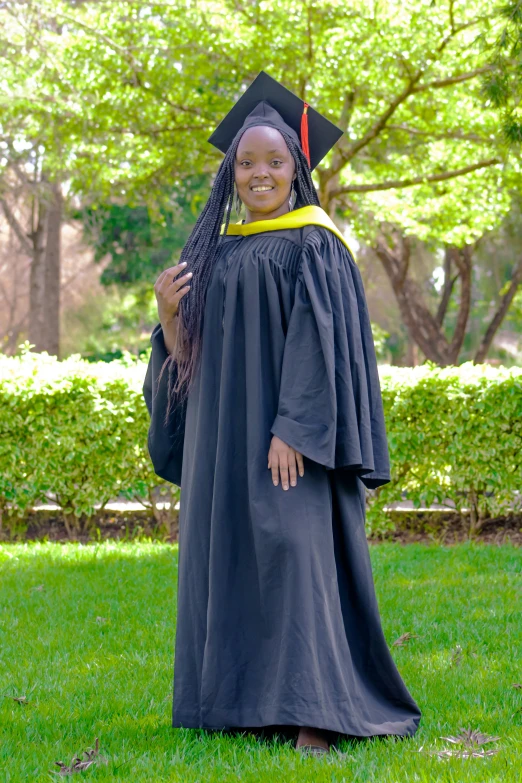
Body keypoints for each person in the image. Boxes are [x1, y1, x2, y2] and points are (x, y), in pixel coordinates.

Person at [143, 71, 421, 756]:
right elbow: (188, 360)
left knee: (295, 552)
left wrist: (295, 426)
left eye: (273, 161)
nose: (259, 173)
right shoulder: (213, 252)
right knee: (232, 557)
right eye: (246, 162)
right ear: (230, 174)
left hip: (289, 438)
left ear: (297, 169)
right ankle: (241, 702)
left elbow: (320, 340)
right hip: (222, 437)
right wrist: (167, 316)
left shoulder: (315, 244)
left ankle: (314, 713)